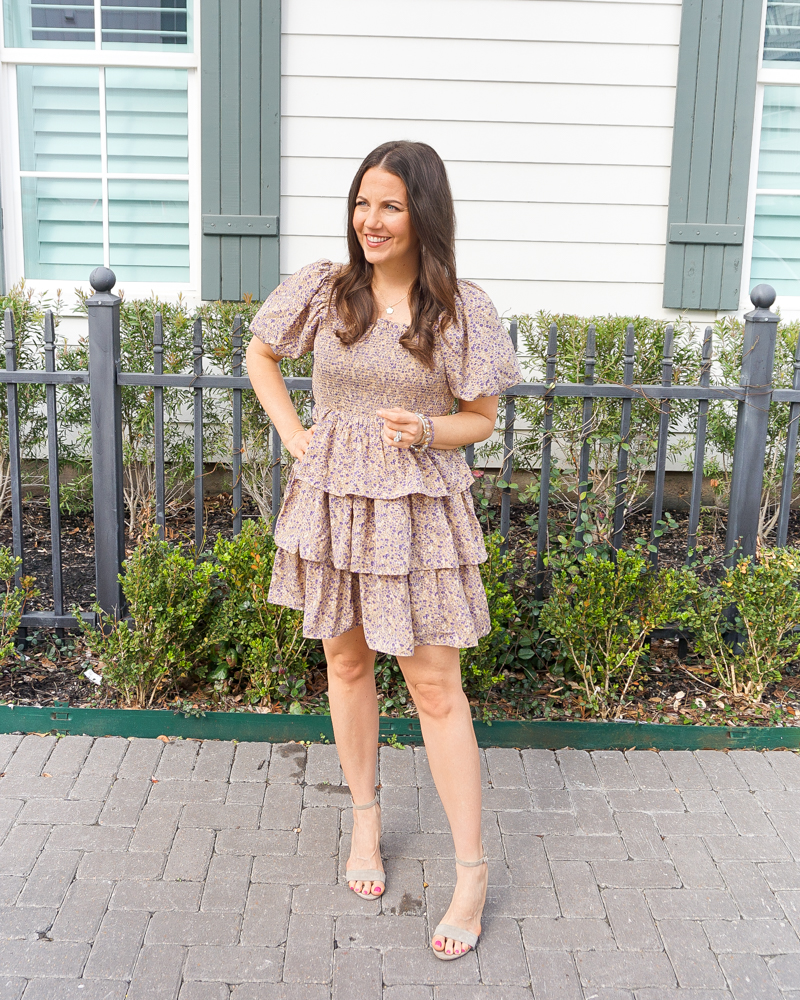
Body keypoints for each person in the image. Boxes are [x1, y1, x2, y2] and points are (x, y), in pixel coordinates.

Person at [245, 140, 522, 960]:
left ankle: (470, 871)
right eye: (364, 202)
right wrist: (295, 435)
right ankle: (364, 822)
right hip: (334, 501)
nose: (372, 219)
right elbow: (261, 353)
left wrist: (431, 430)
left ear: (423, 212)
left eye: (392, 205)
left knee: (435, 683)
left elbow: (482, 417)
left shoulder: (462, 308)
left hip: (417, 509)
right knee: (346, 660)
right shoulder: (328, 291)